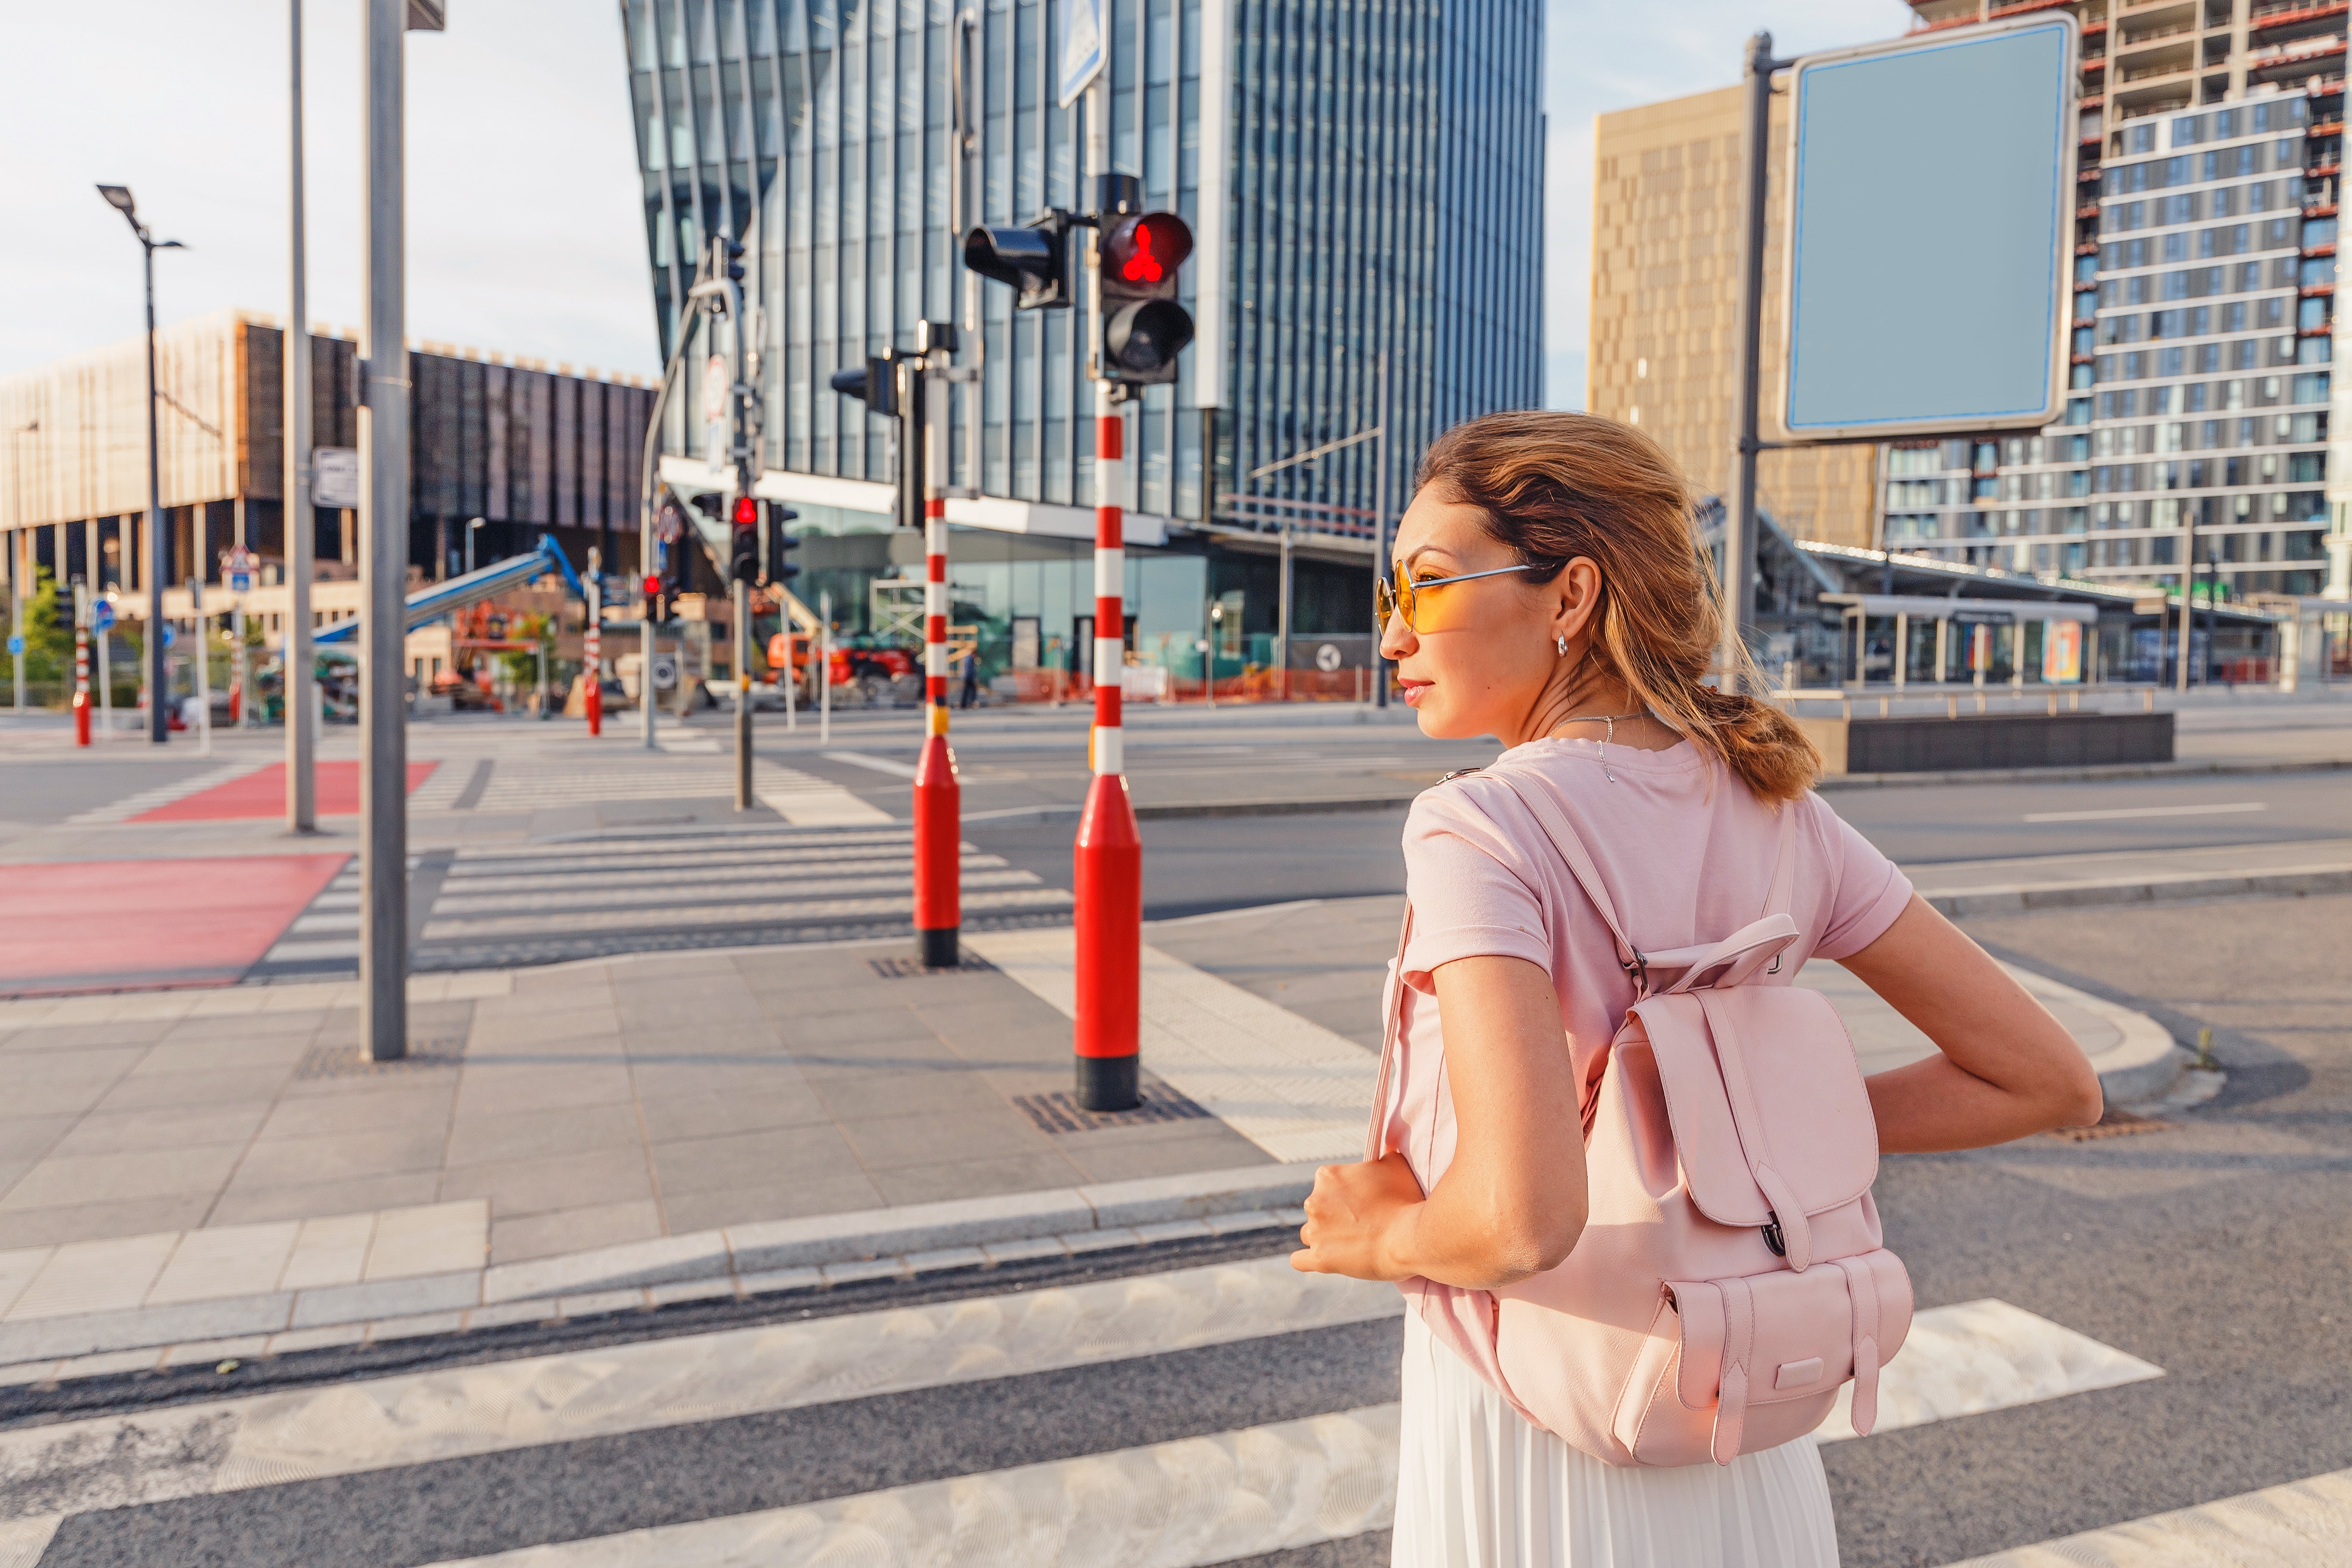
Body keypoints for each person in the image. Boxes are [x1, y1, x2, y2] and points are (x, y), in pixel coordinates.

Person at [1289, 411, 2101, 1567]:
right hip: (1737, 1412)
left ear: (1569, 597)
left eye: (1422, 587)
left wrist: (1378, 1238)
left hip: (1546, 1426)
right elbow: (2049, 1081)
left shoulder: (1484, 825)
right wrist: (1730, 1140)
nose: (1391, 635)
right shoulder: (1779, 811)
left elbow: (1520, 1224)